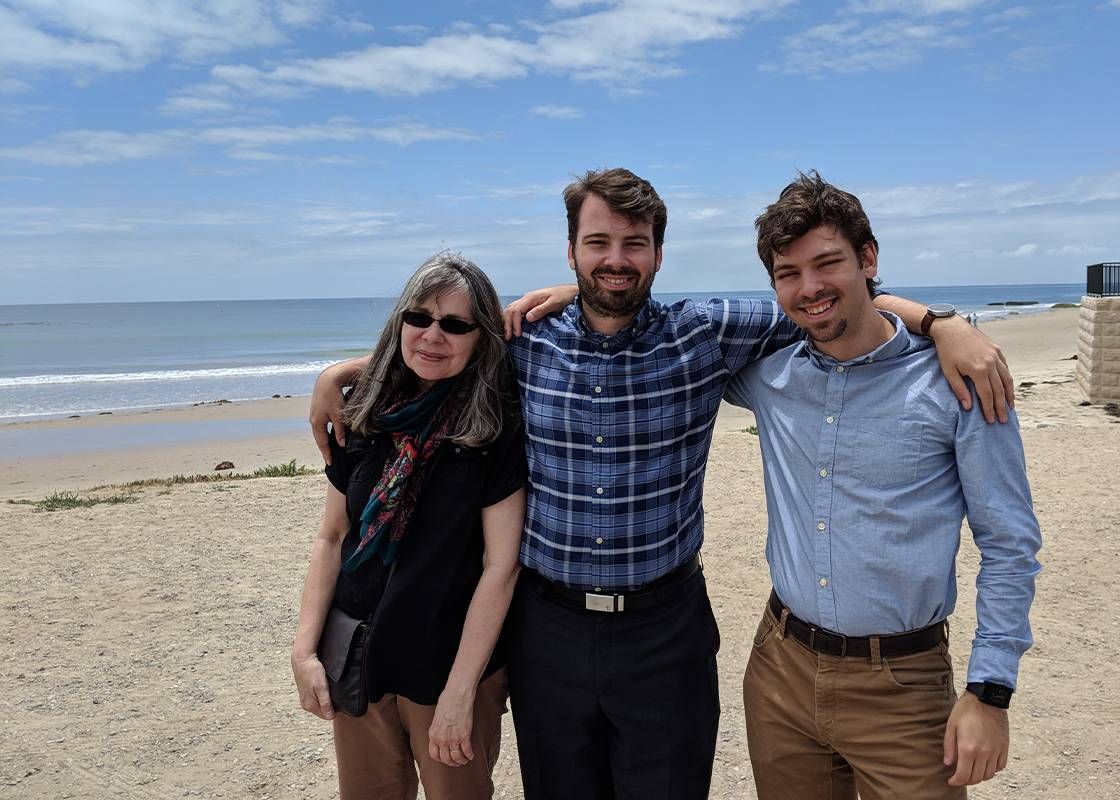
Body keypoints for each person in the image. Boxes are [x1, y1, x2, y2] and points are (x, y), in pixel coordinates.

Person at [311, 168, 1016, 800]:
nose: (616, 260)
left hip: (664, 628)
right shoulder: (523, 341)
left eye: (634, 243)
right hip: (545, 629)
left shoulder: (703, 332)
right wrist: (338, 374)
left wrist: (941, 322)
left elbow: (828, 304)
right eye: (598, 244)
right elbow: (438, 346)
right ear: (571, 253)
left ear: (657, 253)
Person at [725, 172, 1042, 799]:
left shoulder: (959, 385)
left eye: (828, 264)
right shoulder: (769, 376)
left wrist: (990, 691)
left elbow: (1009, 543)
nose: (809, 288)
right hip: (779, 669)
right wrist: (584, 286)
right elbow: (643, 330)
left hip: (904, 684)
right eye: (788, 274)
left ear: (868, 259)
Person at [291, 253, 527, 800]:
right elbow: (331, 538)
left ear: (480, 337)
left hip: (447, 665)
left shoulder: (494, 425)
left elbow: (501, 567)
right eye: (418, 318)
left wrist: (462, 692)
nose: (432, 335)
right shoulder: (365, 414)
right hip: (358, 656)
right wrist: (304, 652)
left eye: (455, 324)